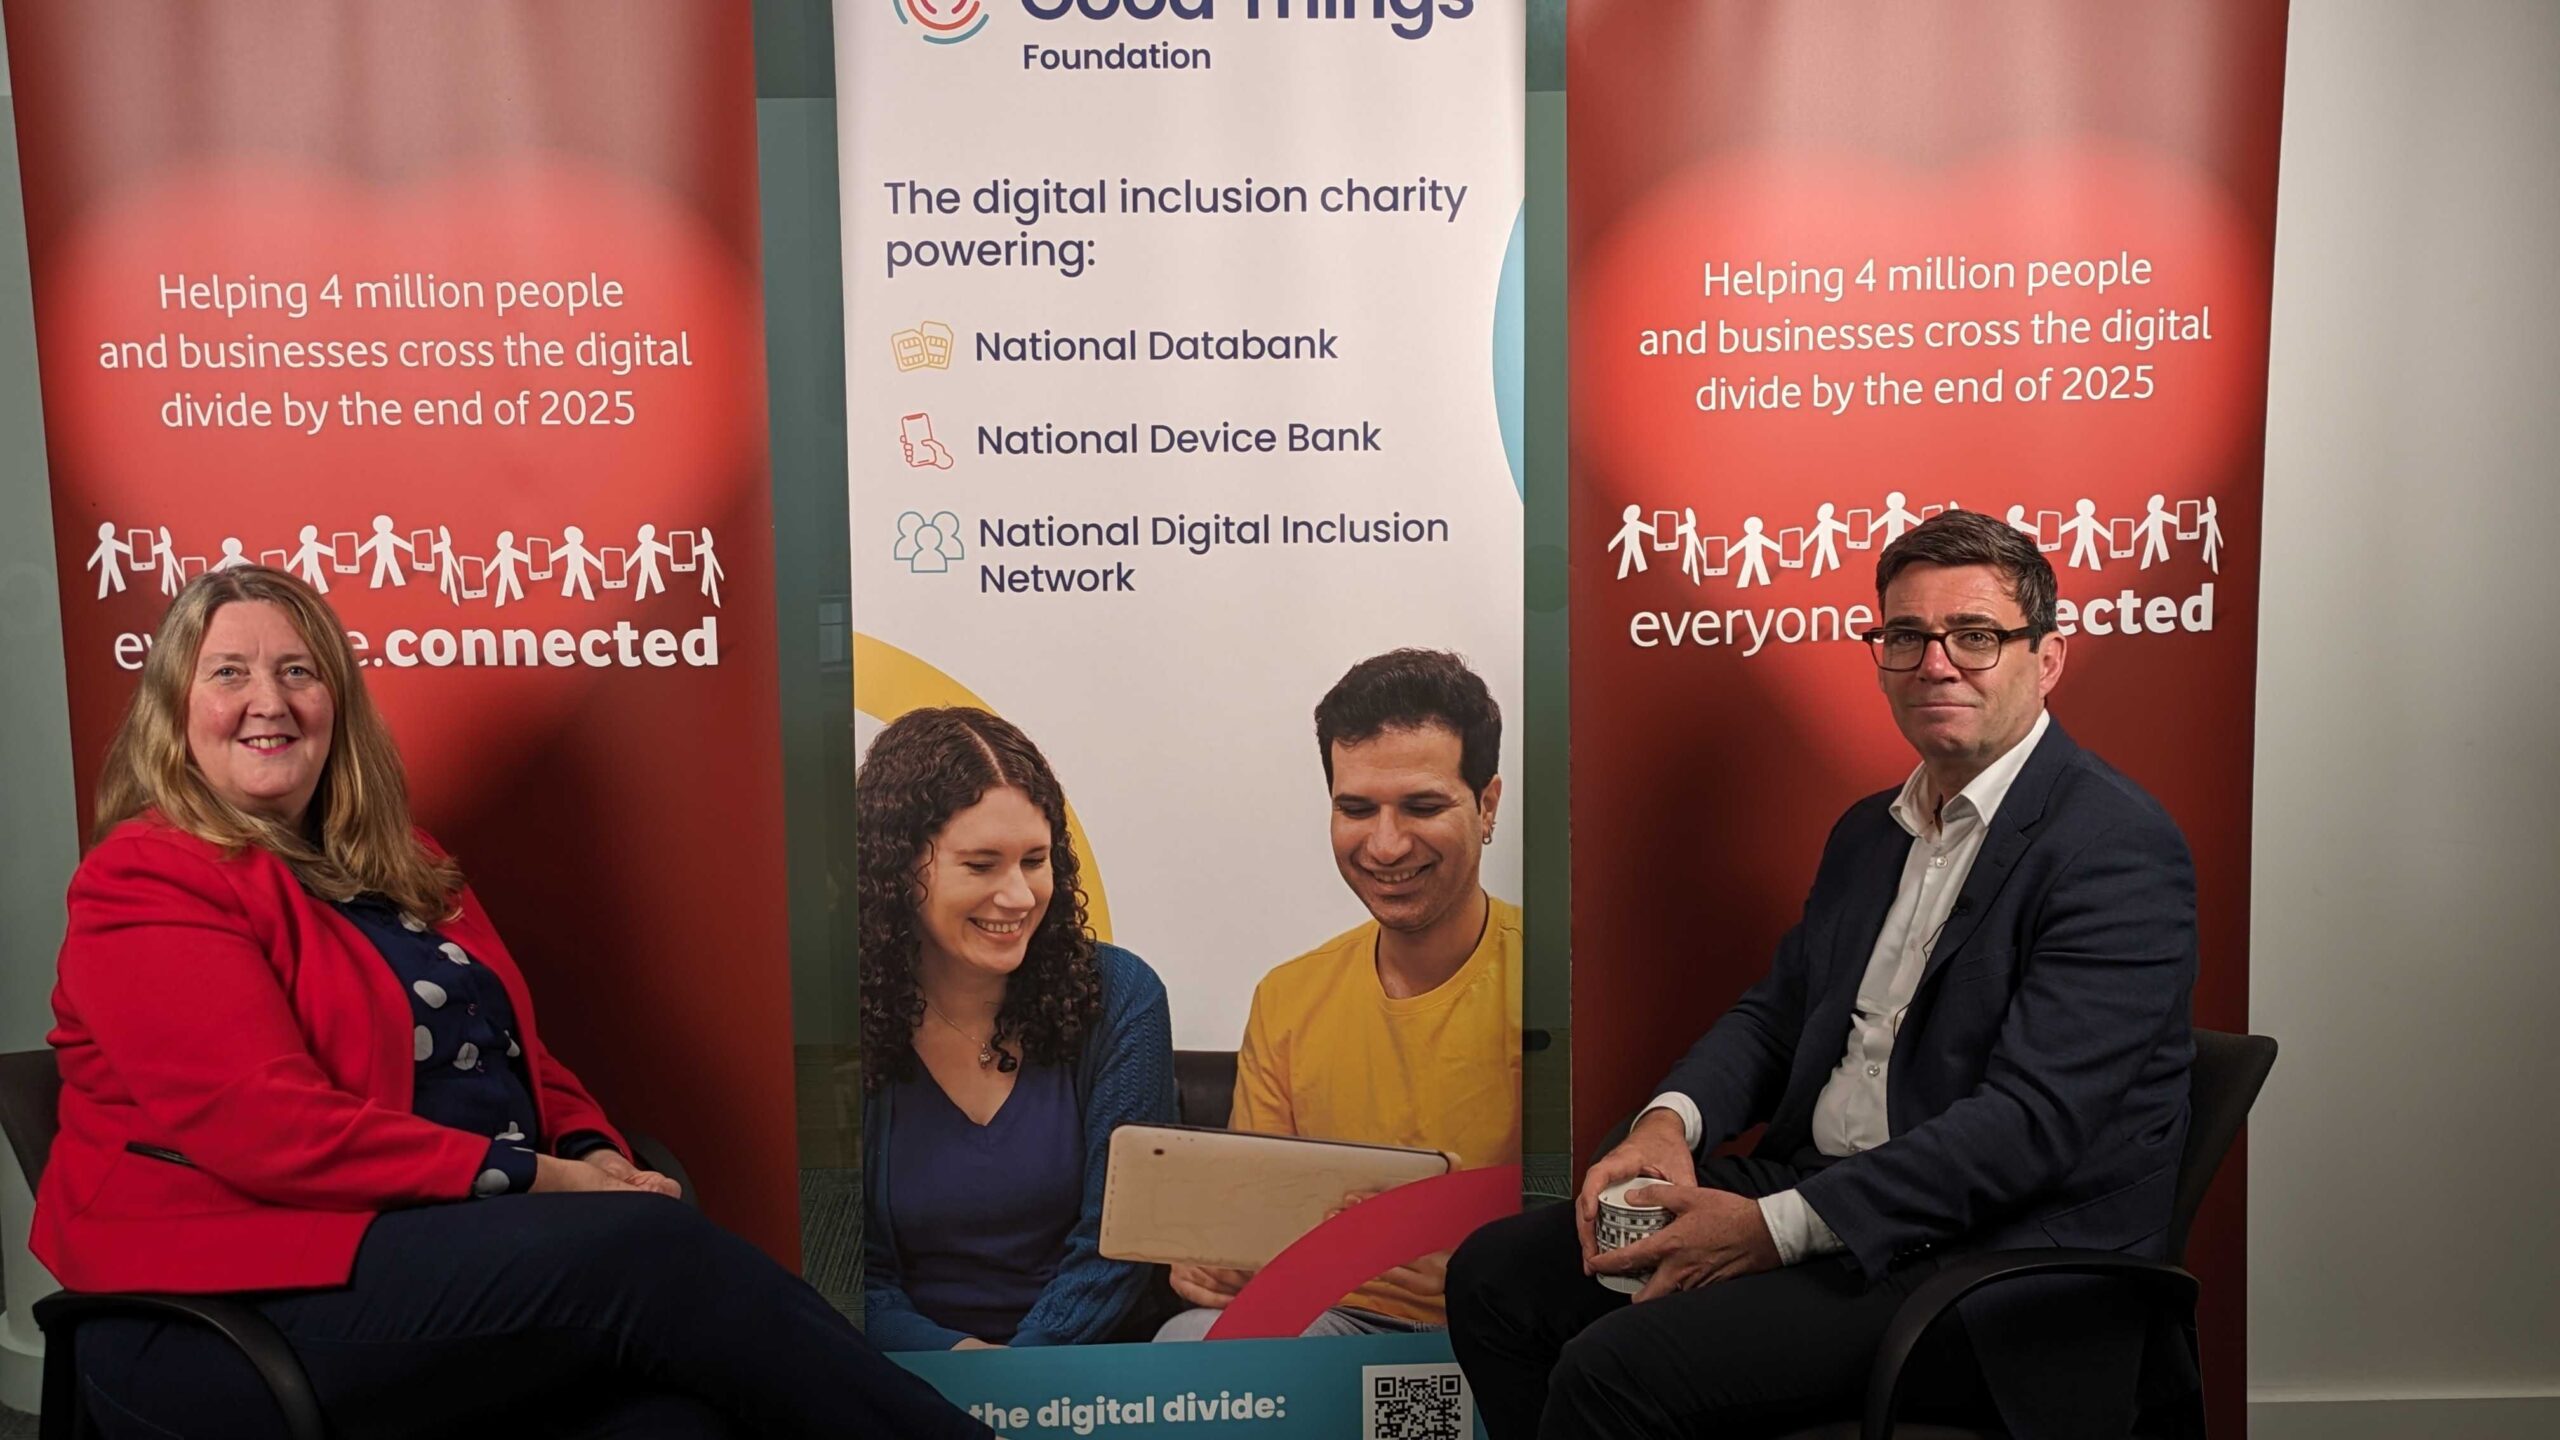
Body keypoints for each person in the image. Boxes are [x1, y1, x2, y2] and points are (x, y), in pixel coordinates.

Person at [36, 567, 989, 1440]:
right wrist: (547, 1183)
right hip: (235, 1309)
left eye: (298, 670)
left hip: (431, 1263)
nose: (269, 701)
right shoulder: (149, 878)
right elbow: (266, 1129)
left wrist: (588, 1148)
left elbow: (515, 1054)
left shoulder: (401, 859)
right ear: (174, 709)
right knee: (654, 1261)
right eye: (228, 673)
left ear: (337, 701)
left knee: (676, 1425)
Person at [1446, 509, 2198, 1440]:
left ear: (2045, 660)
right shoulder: (1868, 832)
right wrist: (1666, 1124)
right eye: (1906, 636)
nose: (1935, 663)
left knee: (1615, 1371)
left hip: (1989, 1264)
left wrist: (1769, 1230)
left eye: (1975, 636)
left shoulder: (2114, 847)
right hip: (1825, 1197)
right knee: (1497, 1278)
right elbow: (1777, 1016)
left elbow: (2028, 1130)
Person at [1159, 648, 1521, 1339]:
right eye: (1356, 808)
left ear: (1488, 804)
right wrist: (1217, 1265)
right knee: (1185, 1340)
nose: (1385, 846)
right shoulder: (1289, 996)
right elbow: (1256, 1224)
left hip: (1514, 1333)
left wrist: (1500, 1273)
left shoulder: (1554, 984)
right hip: (1335, 1326)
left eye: (1421, 806)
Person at [859, 707, 1176, 1350]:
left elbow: (1118, 1243)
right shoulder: (835, 1017)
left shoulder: (1123, 995)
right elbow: (850, 1268)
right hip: (901, 1377)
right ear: (896, 871)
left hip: (1087, 1374)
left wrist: (1020, 1376)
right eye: (980, 865)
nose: (1020, 896)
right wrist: (954, 1364)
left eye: (1035, 860)